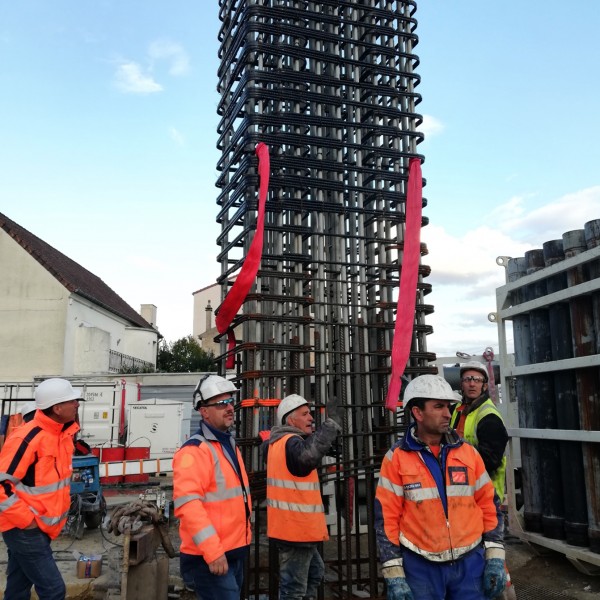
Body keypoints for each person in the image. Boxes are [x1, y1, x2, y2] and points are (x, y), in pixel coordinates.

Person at [375, 374, 506, 600]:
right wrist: (394, 573)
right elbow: (387, 518)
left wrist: (495, 556)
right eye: (438, 407)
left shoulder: (468, 454)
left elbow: (489, 504)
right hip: (420, 566)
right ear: (417, 413)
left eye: (448, 406)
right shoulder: (396, 458)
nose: (448, 413)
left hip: (470, 564)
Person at [0, 378, 82, 600]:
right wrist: (28, 521)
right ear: (57, 408)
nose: (77, 404)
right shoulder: (27, 438)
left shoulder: (62, 436)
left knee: (17, 589)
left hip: (39, 528)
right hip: (25, 529)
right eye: (72, 400)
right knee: (54, 590)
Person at [173, 374, 252, 600]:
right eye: (220, 403)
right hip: (210, 559)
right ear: (204, 411)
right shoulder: (195, 451)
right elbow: (188, 506)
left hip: (232, 553)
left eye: (229, 402)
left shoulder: (227, 445)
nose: (229, 408)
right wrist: (213, 552)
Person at [266, 393, 341, 600]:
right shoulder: (290, 442)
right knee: (293, 590)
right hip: (295, 532)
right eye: (305, 414)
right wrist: (330, 427)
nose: (311, 418)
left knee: (315, 574)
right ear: (290, 420)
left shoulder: (279, 442)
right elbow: (307, 458)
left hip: (297, 530)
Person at [451, 361, 514, 600]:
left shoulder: (489, 416)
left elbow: (490, 460)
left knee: (491, 552)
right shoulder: (458, 409)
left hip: (487, 495)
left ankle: (505, 595)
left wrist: (462, 449)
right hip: (463, 493)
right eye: (467, 379)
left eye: (476, 380)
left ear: (485, 385)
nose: (471, 384)